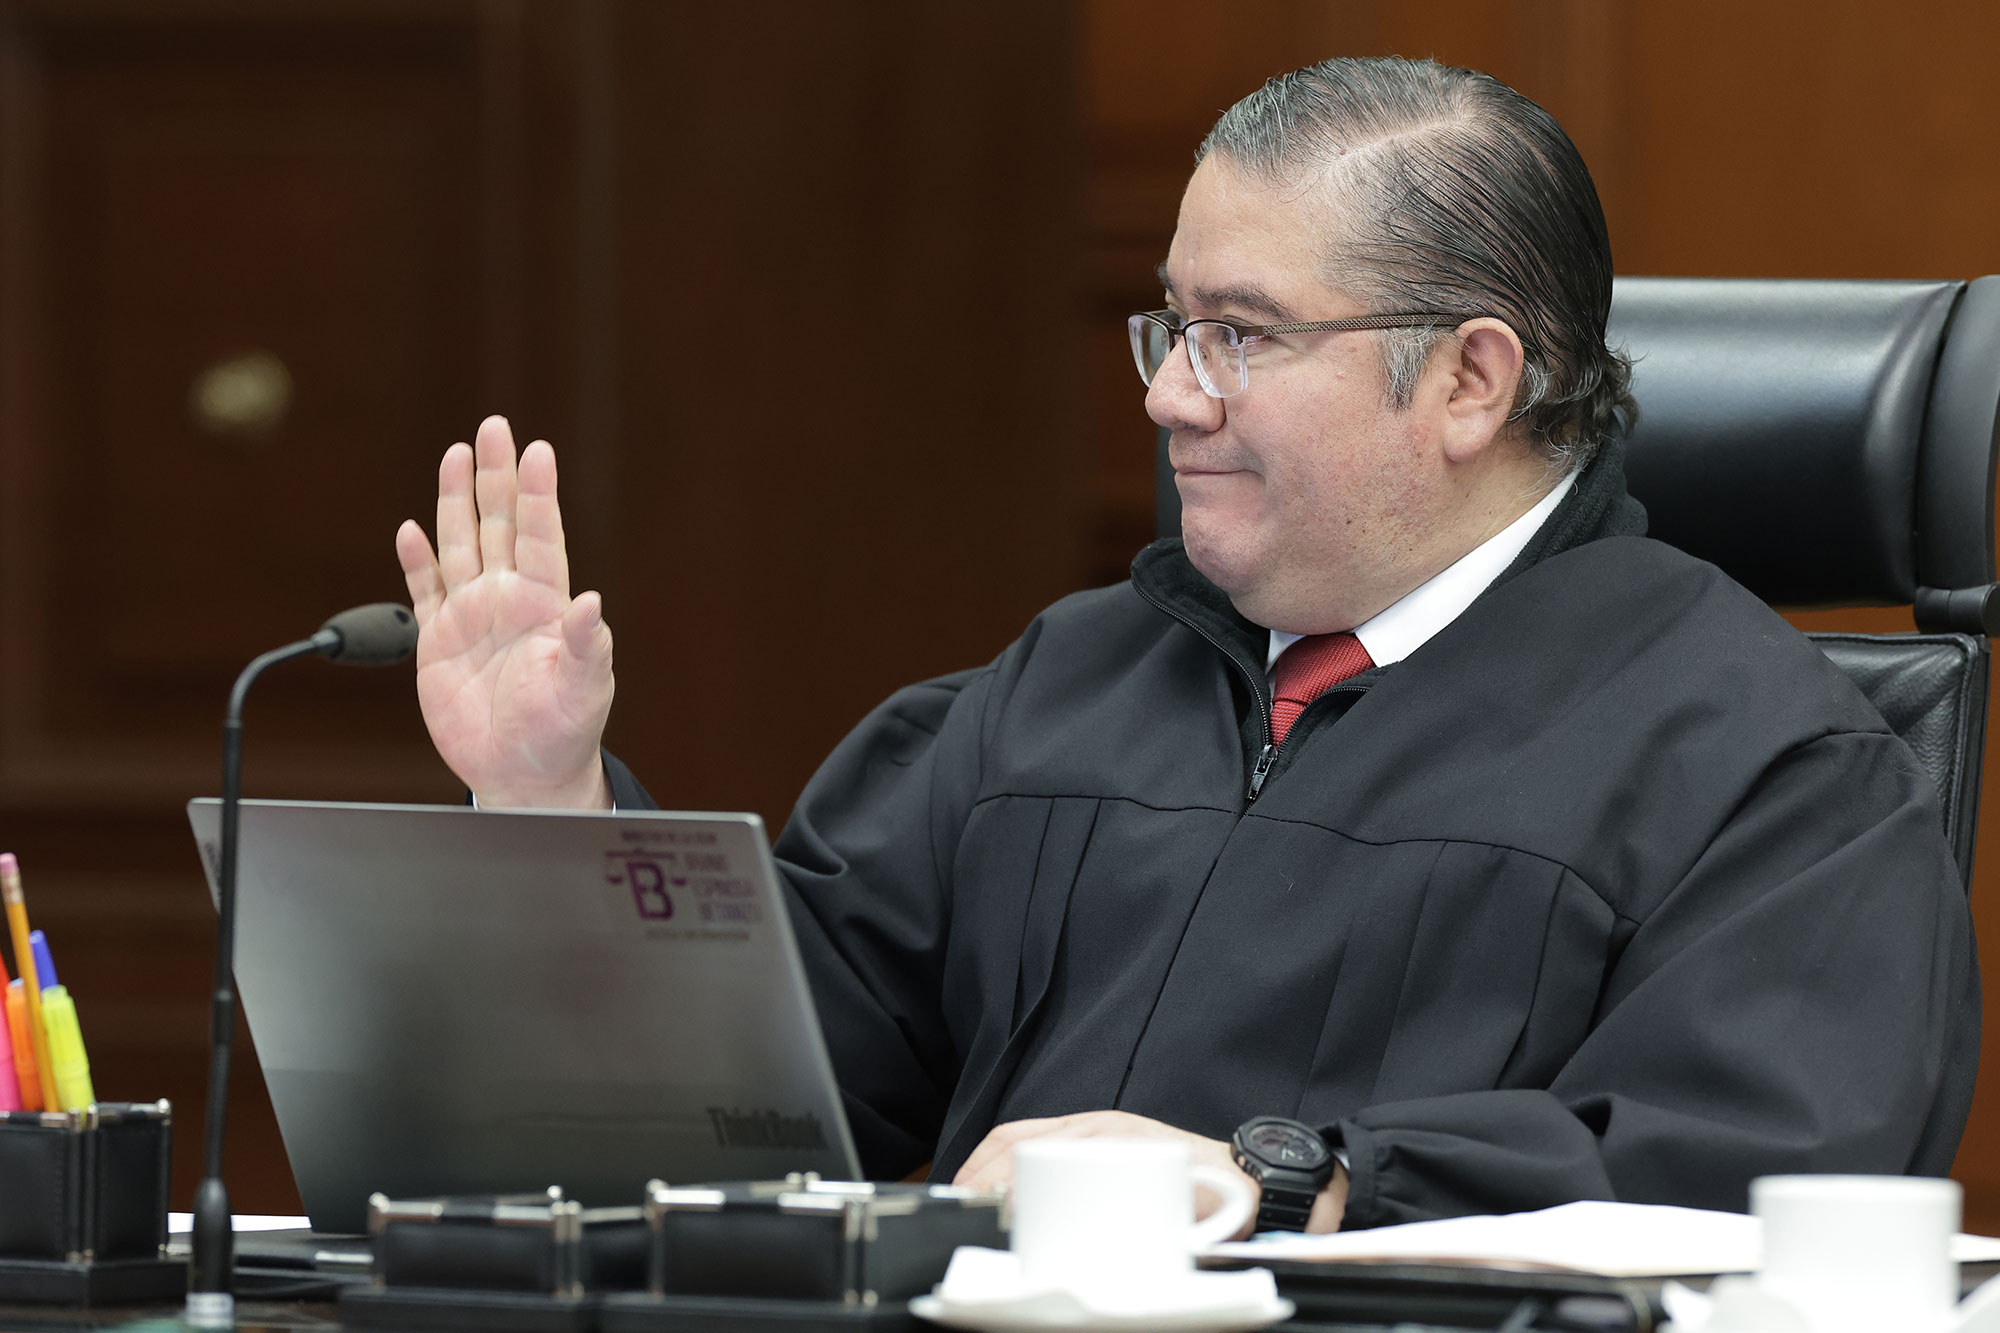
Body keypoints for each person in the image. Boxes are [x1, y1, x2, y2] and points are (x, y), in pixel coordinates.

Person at [395, 57, 1978, 1233]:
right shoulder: (1065, 685)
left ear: (1471, 381)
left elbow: (1751, 1186)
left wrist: (1282, 1179)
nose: (1166, 394)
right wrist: (550, 805)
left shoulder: (1768, 766)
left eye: (1241, 334)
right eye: (1170, 325)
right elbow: (755, 1112)